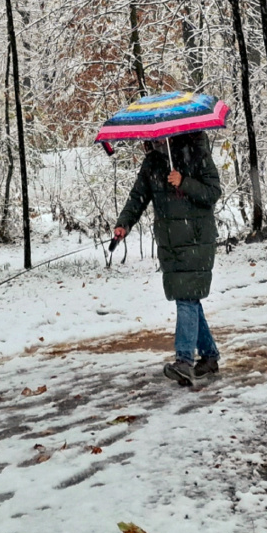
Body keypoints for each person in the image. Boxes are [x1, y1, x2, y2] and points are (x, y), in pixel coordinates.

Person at [113, 132, 222, 386]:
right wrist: (124, 224)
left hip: (196, 239)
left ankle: (184, 361)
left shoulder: (196, 152)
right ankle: (209, 356)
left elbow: (212, 192)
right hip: (170, 243)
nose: (156, 141)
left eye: (161, 137)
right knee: (189, 297)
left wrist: (184, 182)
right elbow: (138, 197)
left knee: (186, 298)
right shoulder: (152, 162)